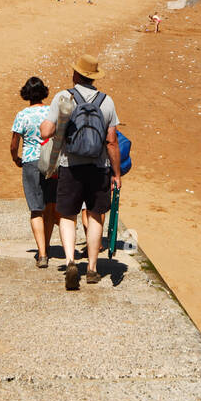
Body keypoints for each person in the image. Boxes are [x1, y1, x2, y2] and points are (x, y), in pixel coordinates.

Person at [39, 54, 121, 289]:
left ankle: (71, 261)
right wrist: (116, 174)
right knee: (95, 215)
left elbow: (46, 132)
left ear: (76, 75)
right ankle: (93, 268)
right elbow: (111, 141)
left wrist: (48, 126)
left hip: (70, 166)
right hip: (99, 168)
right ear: (94, 77)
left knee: (67, 215)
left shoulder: (63, 97)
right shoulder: (107, 102)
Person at [11, 76, 58, 268]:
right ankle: (46, 245)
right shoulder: (51, 112)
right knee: (49, 207)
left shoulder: (22, 115)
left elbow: (14, 143)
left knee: (36, 209)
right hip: (52, 163)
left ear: (26, 94)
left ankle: (42, 253)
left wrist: (16, 159)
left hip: (30, 161)